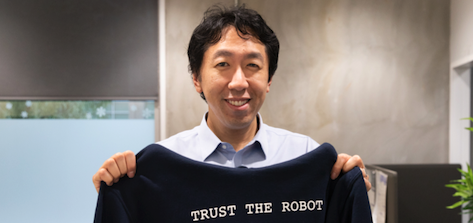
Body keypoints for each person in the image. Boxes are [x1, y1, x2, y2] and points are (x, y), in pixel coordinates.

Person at [91, 5, 370, 193]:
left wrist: (350, 190)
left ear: (269, 79)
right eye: (223, 64)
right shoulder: (161, 168)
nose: (238, 82)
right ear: (196, 78)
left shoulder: (308, 161)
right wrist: (117, 191)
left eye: (253, 66)